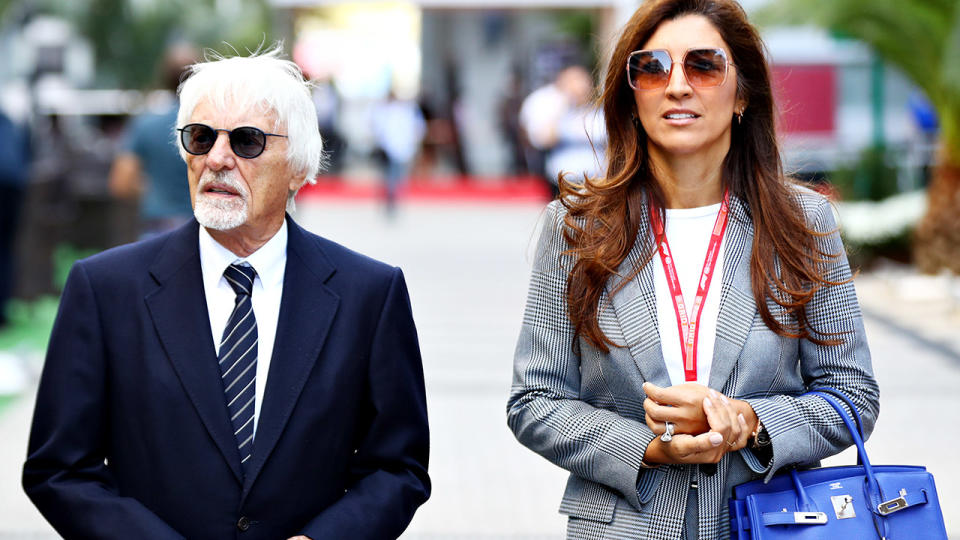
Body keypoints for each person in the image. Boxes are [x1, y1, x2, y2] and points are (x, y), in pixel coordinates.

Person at [506, 1, 879, 539]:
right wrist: (646, 447)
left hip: (767, 521)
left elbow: (852, 394)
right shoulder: (575, 228)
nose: (677, 85)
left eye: (703, 65)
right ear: (631, 96)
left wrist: (750, 422)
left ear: (742, 94)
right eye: (652, 67)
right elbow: (534, 401)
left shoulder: (801, 222)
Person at [23, 48, 430, 540]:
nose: (217, 158)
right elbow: (59, 469)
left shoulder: (369, 293)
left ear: (298, 167)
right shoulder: (106, 290)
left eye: (247, 141)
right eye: (200, 137)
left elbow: (398, 467)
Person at [109, 44, 197, 236]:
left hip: (158, 232)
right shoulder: (213, 127)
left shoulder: (145, 125)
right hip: (204, 234)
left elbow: (121, 183)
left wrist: (155, 191)